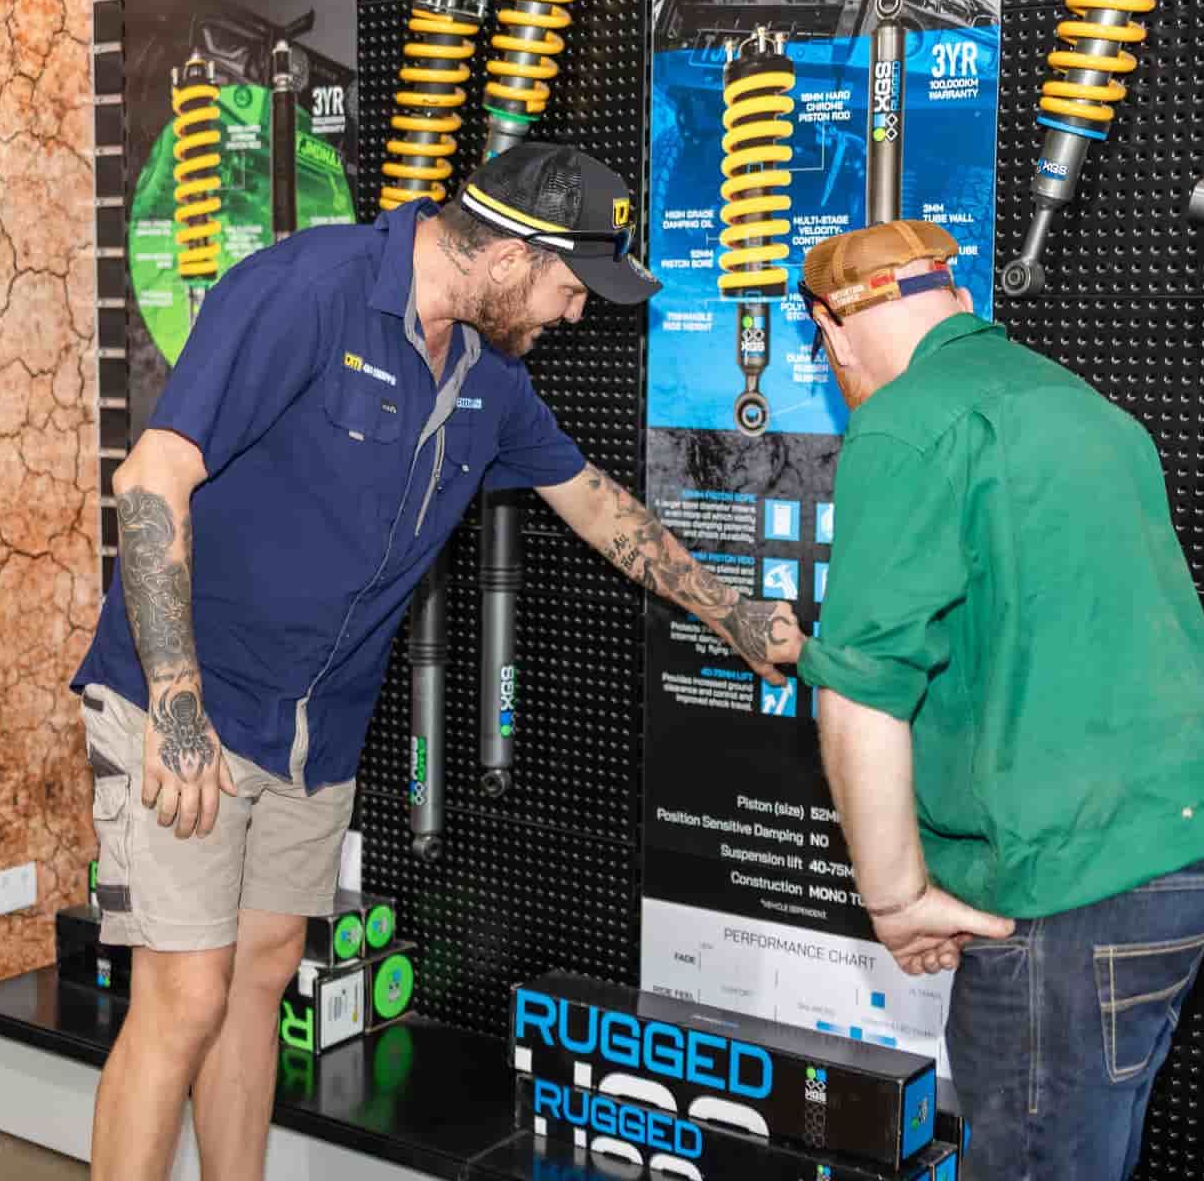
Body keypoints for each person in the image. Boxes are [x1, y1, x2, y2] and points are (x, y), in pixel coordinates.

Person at [71, 142, 803, 1181]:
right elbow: (151, 480)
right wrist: (179, 707)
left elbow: (597, 503)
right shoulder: (307, 289)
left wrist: (732, 613)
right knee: (183, 995)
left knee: (262, 974)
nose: (575, 312)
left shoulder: (485, 373)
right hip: (190, 693)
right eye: (569, 285)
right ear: (510, 254)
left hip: (315, 726)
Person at [793, 219, 1204, 1180]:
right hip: (1186, 855)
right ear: (958, 303)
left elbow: (864, 692)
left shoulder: (909, 421)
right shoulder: (1085, 406)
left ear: (832, 332)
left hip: (1070, 893)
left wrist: (899, 896)